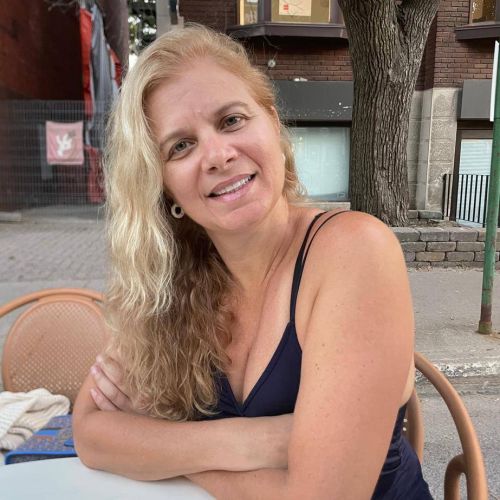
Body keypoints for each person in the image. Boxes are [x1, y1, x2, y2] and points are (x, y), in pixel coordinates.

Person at [73, 24, 432, 499]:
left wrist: (161, 451)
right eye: (180, 146)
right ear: (163, 186)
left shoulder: (353, 251)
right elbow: (91, 435)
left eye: (231, 121)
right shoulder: (168, 282)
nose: (218, 155)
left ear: (272, 124)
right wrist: (258, 441)